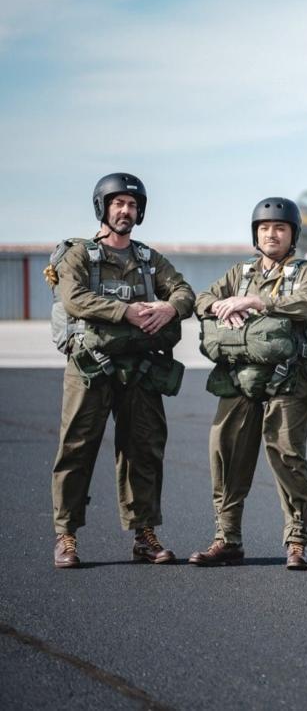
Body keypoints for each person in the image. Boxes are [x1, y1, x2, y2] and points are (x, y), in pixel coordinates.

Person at [49, 172, 194, 568]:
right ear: (103, 207)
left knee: (143, 451)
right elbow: (75, 298)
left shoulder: (149, 259)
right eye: (118, 204)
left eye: (132, 205)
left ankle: (144, 534)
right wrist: (126, 311)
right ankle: (66, 535)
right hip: (90, 368)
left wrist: (168, 307)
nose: (125, 211)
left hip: (140, 370)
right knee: (77, 449)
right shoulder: (78, 254)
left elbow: (184, 292)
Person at [189, 198, 307, 570]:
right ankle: (227, 538)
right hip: (239, 378)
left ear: (292, 234)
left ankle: (297, 540)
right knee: (225, 454)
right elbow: (202, 298)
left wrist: (256, 301)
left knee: (288, 457)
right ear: (256, 234)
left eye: (280, 228)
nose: (272, 234)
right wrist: (220, 307)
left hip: (288, 379)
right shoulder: (240, 272)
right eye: (265, 228)